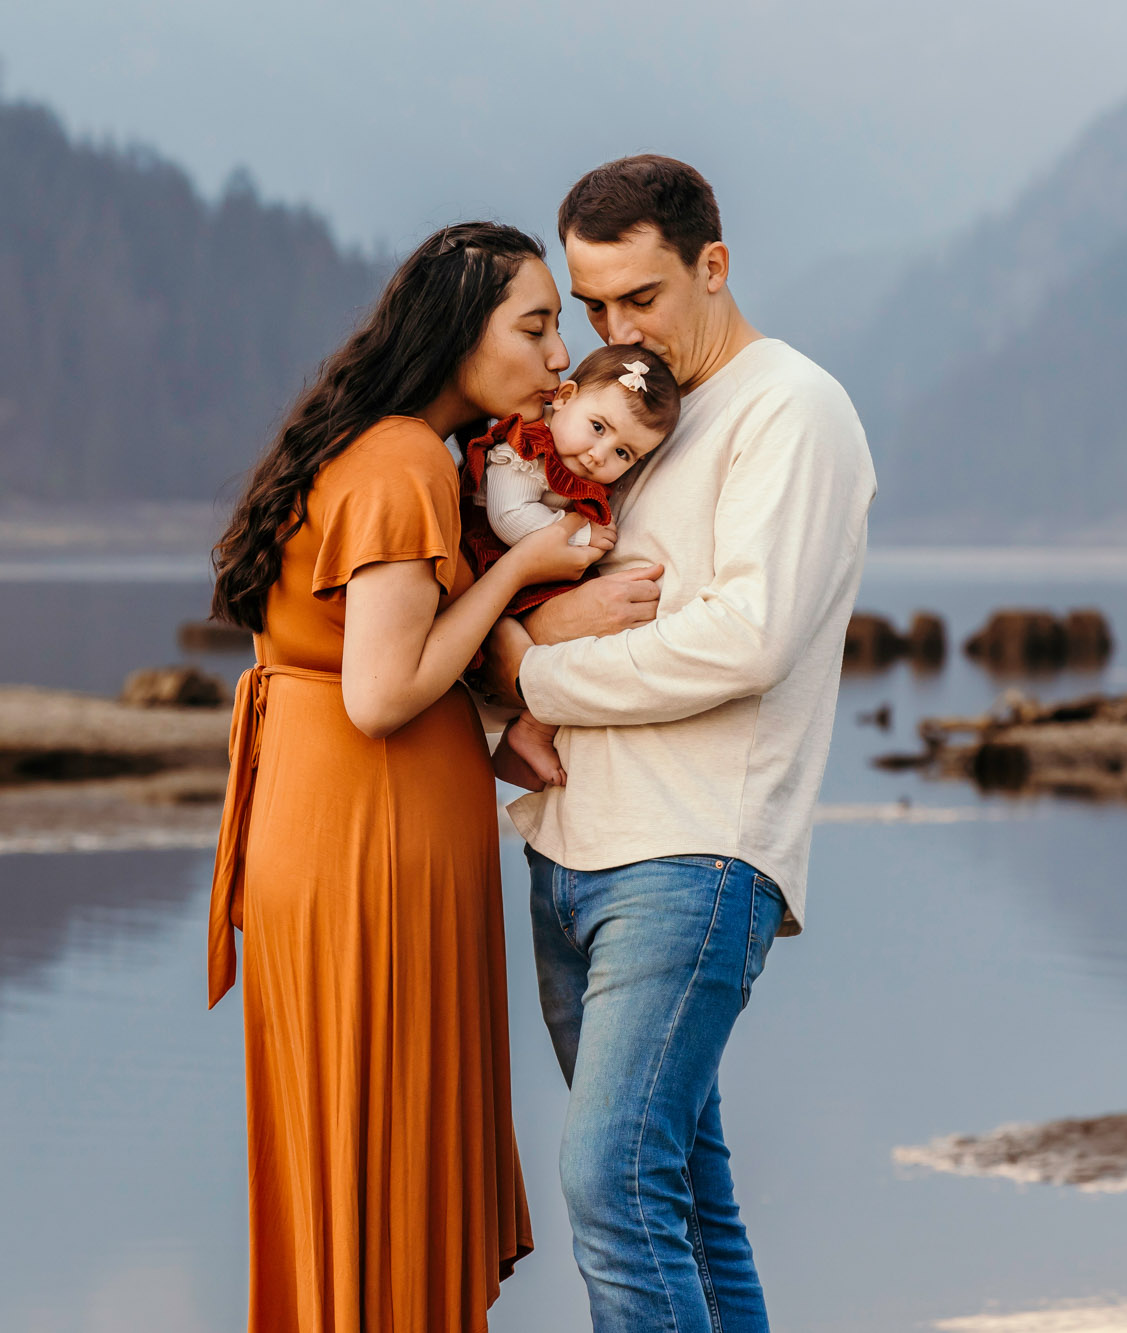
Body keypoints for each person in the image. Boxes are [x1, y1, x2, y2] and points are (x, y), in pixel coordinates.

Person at [483, 155, 876, 1331]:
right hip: (573, 853)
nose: (614, 332)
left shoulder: (789, 407)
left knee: (608, 1179)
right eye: (592, 306)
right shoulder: (641, 417)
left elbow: (741, 641)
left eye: (639, 298)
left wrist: (530, 669)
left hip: (691, 858)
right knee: (682, 1195)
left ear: (713, 265)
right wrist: (517, 655)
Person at [205, 221, 611, 1332]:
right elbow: (380, 695)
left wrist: (485, 731)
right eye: (533, 326)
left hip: (329, 824)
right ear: (453, 336)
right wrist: (525, 564)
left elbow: (345, 655)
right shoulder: (404, 462)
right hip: (368, 855)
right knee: (384, 1147)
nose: (555, 359)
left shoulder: (361, 447)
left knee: (352, 1149)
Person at [461, 342, 681, 786]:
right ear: (563, 398)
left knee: (590, 636)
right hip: (492, 565)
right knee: (548, 647)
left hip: (537, 571)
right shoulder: (523, 450)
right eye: (598, 427)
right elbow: (507, 518)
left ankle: (529, 731)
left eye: (624, 454)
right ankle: (527, 728)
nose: (601, 454)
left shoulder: (576, 465)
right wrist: (577, 534)